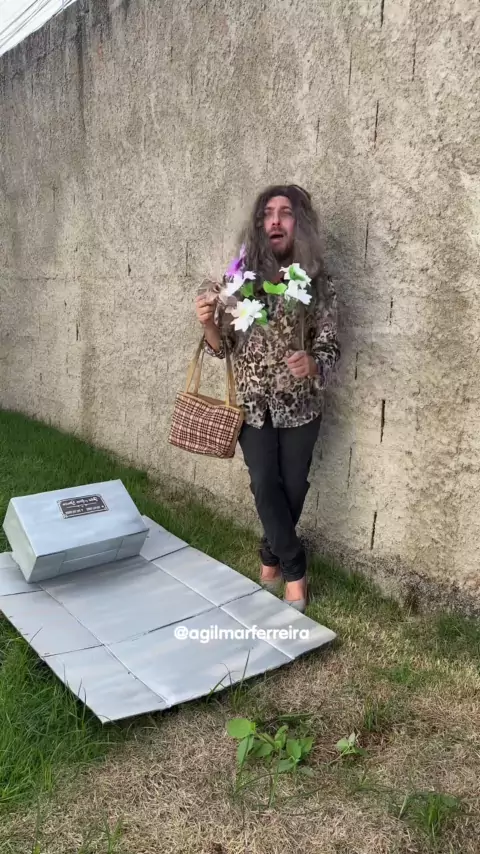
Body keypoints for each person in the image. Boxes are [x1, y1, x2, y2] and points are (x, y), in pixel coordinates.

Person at [195, 184, 340, 612]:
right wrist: (208, 324)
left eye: (285, 213)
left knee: (292, 486)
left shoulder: (318, 282)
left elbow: (331, 346)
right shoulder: (239, 280)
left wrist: (313, 362)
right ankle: (294, 567)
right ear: (259, 224)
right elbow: (222, 348)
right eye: (267, 214)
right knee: (263, 482)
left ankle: (269, 552)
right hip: (252, 405)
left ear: (300, 223)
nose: (275, 220)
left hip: (301, 406)